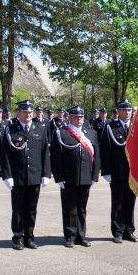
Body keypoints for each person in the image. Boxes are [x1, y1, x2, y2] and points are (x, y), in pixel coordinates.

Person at [1, 100, 51, 250]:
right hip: (18, 177)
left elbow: (45, 153)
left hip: (35, 176)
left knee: (31, 209)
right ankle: (18, 237)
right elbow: (5, 155)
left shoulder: (40, 129)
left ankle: (29, 237)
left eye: (30, 112)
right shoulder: (11, 130)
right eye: (25, 112)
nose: (28, 114)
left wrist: (46, 174)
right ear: (18, 113)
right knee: (18, 209)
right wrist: (7, 175)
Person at [50, 106, 100, 248]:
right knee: (69, 207)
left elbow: (97, 156)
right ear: (69, 117)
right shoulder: (61, 133)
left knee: (82, 208)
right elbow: (56, 158)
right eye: (76, 117)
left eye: (81, 117)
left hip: (85, 177)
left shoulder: (91, 133)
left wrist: (94, 176)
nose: (79, 119)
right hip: (68, 177)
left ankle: (81, 236)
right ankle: (70, 236)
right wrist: (59, 178)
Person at [100, 99, 138, 243]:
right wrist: (106, 171)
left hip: (133, 174)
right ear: (118, 111)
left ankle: (129, 231)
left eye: (129, 110)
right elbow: (105, 151)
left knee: (130, 202)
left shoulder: (136, 127)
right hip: (117, 172)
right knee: (118, 203)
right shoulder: (110, 127)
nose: (127, 113)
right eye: (124, 110)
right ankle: (117, 232)